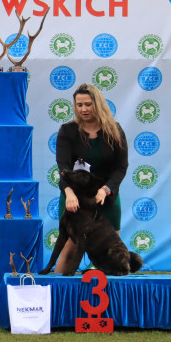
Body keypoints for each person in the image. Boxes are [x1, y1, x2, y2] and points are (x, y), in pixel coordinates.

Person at [53, 83, 128, 274]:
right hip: (74, 198)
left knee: (109, 250)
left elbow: (121, 167)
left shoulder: (114, 130)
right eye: (79, 105)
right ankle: (57, 297)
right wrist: (69, 193)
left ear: (98, 104)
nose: (84, 109)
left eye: (88, 104)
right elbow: (63, 168)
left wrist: (106, 190)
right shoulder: (67, 131)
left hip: (106, 196)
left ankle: (111, 302)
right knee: (69, 248)